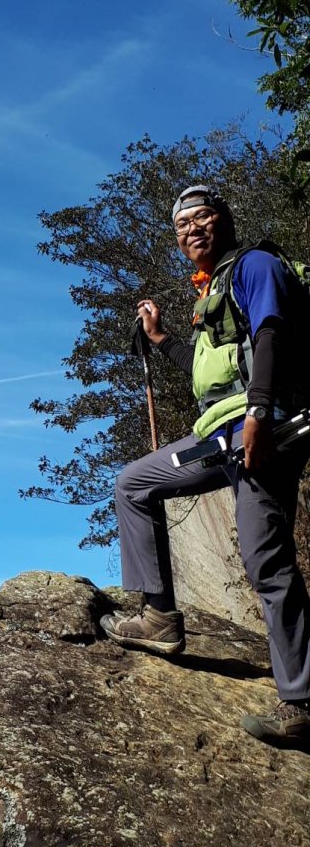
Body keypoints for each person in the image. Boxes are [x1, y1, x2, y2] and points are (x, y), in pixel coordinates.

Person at [100, 184, 310, 744]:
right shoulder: (211, 290)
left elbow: (270, 331)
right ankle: (160, 620)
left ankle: (302, 701)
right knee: (133, 483)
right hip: (218, 438)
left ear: (224, 220)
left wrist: (261, 412)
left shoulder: (255, 266)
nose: (191, 230)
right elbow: (206, 368)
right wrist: (160, 336)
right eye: (181, 225)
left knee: (266, 562)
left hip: (263, 432)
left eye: (201, 218)